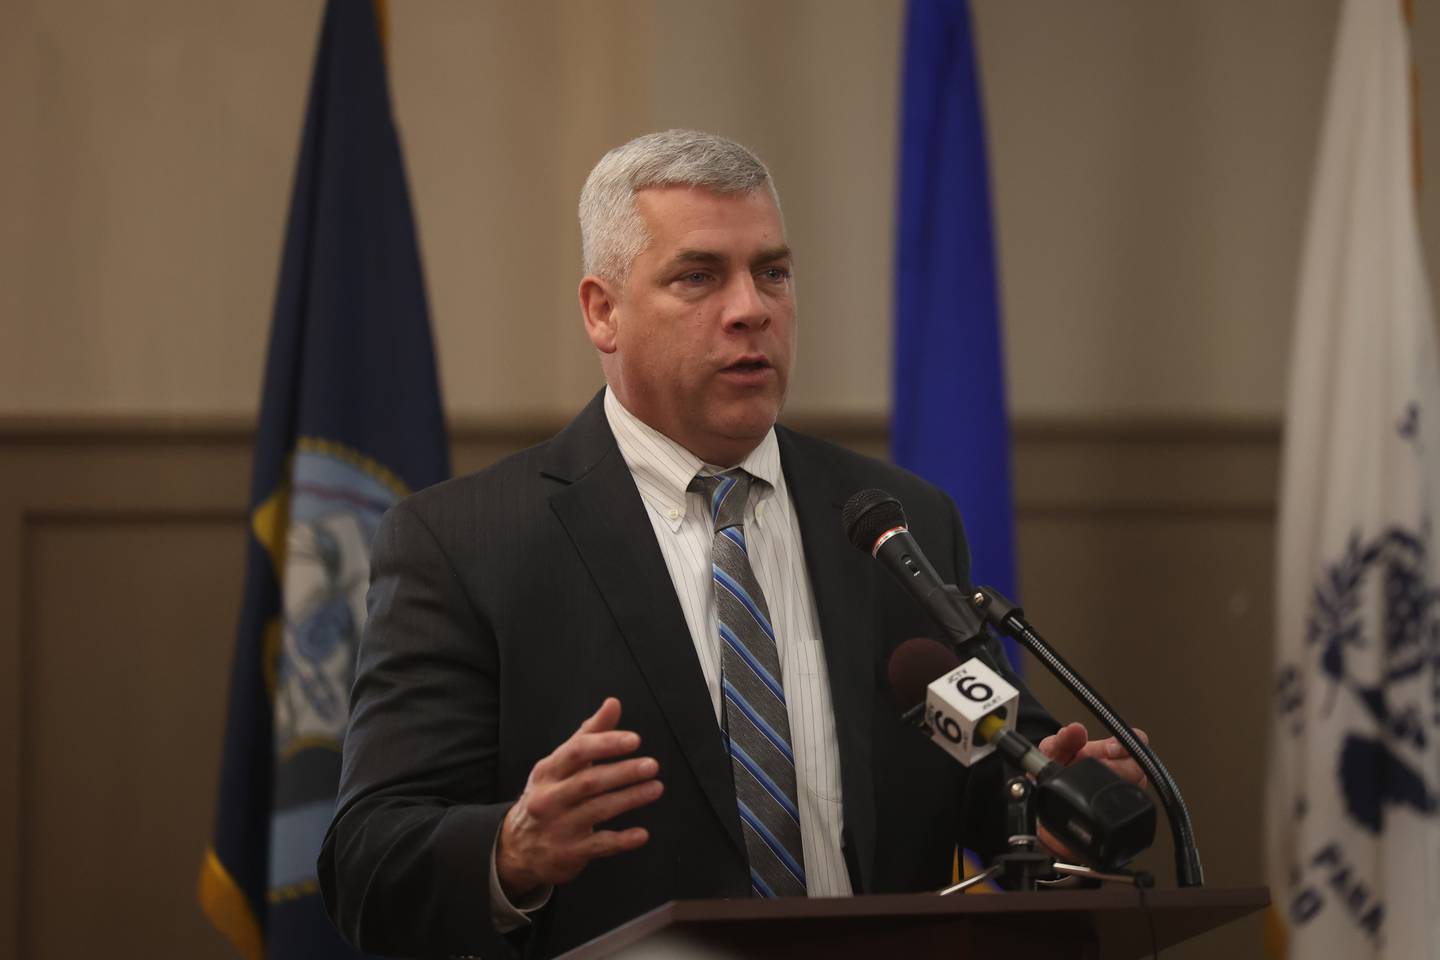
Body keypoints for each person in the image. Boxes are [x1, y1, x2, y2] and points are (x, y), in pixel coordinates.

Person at [318, 130, 1146, 959]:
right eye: (698, 277)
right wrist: (511, 848)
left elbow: (990, 779)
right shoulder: (467, 544)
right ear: (603, 311)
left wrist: (1056, 810)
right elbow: (367, 862)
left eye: (773, 274)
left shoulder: (895, 524)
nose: (752, 308)